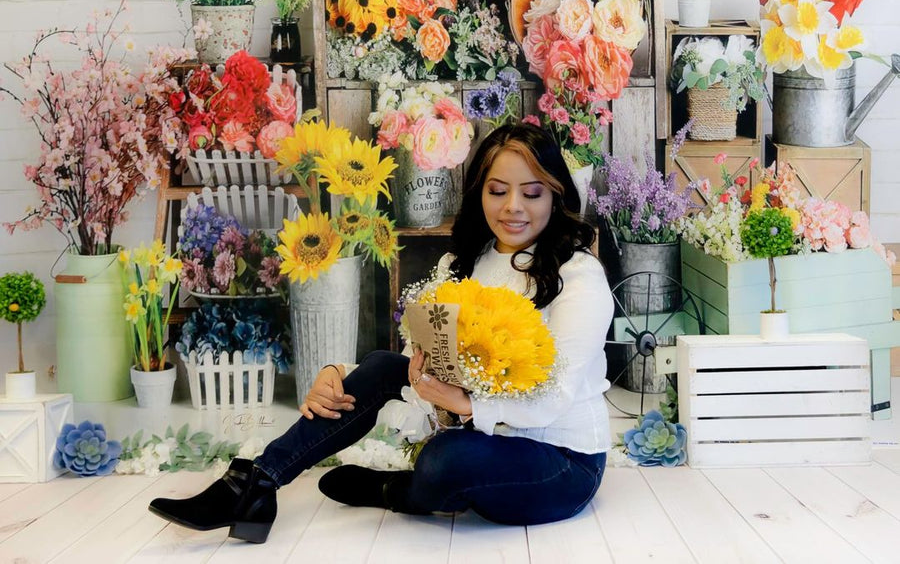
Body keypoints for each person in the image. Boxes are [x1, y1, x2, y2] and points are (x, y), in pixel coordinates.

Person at [148, 123, 615, 543]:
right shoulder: (461, 264)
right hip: (479, 434)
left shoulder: (578, 277)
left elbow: (555, 398)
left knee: (447, 458)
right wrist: (338, 372)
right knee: (381, 366)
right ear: (479, 193)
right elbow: (420, 359)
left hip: (559, 461)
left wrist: (465, 405)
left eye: (532, 193)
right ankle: (255, 483)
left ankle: (400, 491)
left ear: (556, 196)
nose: (513, 207)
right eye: (497, 191)